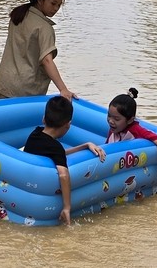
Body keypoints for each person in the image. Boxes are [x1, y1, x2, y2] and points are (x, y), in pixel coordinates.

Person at [22, 95, 105, 226]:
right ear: (68, 125)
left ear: (44, 119)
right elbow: (63, 174)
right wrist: (67, 207)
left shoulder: (35, 134)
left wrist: (84, 145)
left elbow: (55, 154)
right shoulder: (55, 148)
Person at [0, 0, 77, 100]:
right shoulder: (44, 27)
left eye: (59, 5)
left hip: (4, 83)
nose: (56, 8)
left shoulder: (18, 15)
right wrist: (63, 89)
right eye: (53, 3)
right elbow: (47, 61)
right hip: (25, 90)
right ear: (40, 0)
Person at [105, 88, 157, 199]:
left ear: (130, 120)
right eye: (109, 116)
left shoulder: (135, 130)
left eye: (116, 119)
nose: (111, 121)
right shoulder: (114, 129)